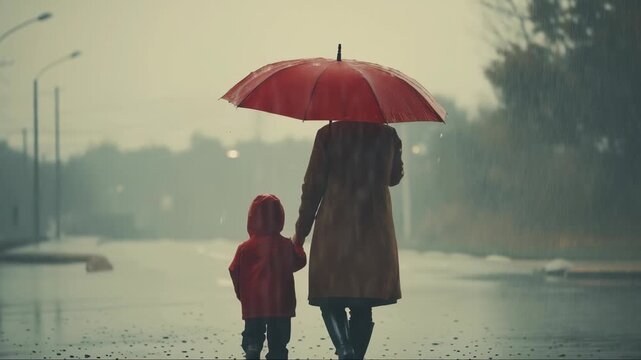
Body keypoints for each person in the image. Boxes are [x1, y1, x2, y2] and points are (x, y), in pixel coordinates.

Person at [293, 121, 404, 359]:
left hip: (335, 228)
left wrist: (301, 232)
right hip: (374, 228)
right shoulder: (387, 134)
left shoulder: (328, 135)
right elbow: (394, 177)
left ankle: (344, 349)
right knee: (362, 300)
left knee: (329, 295)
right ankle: (354, 356)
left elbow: (312, 187)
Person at [229, 194, 307, 360]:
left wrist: (241, 294)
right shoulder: (286, 245)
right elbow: (299, 262)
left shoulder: (245, 249)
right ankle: (277, 354)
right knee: (279, 341)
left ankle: (252, 347)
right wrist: (298, 245)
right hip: (280, 303)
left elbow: (234, 269)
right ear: (280, 217)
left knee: (253, 332)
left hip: (255, 303)